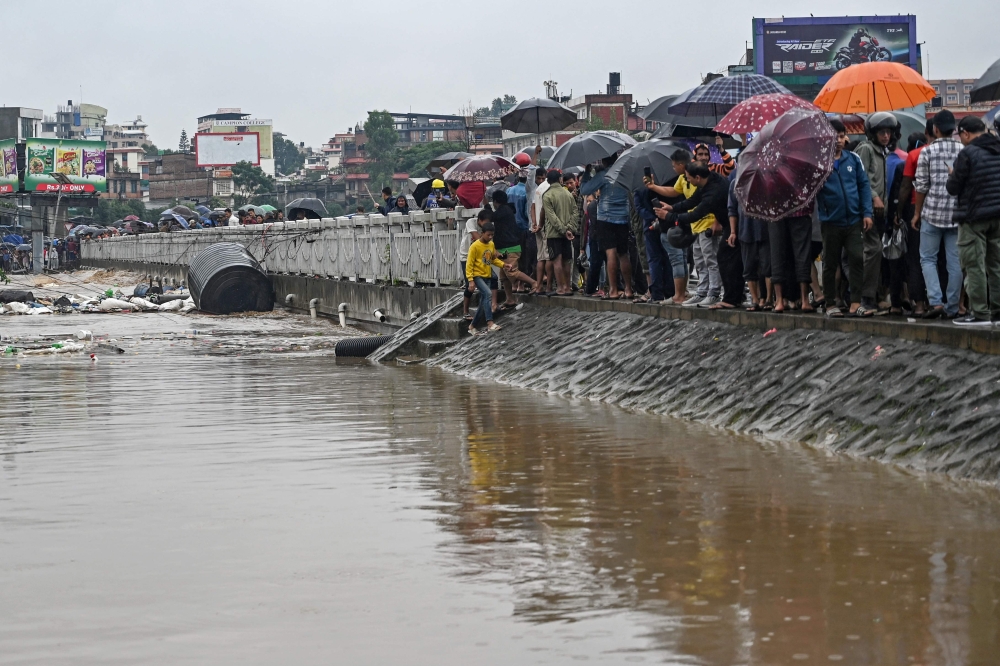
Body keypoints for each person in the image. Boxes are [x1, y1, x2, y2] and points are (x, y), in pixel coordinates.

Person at [654, 161, 739, 309]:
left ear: (698, 177)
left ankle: (720, 295)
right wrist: (673, 208)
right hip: (727, 225)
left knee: (722, 260)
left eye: (688, 177)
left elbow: (694, 214)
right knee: (711, 259)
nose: (687, 180)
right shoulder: (709, 180)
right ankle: (710, 293)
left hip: (733, 225)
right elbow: (692, 200)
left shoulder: (713, 192)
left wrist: (668, 217)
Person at [646, 149, 718, 307]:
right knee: (699, 261)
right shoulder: (683, 179)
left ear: (681, 165)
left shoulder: (702, 180)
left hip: (706, 223)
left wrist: (670, 214)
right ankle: (702, 292)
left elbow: (698, 204)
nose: (673, 169)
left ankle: (713, 292)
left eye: (674, 166)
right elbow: (676, 193)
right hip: (694, 225)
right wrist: (654, 188)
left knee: (709, 260)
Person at [816, 119, 873, 317]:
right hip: (831, 221)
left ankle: (856, 303)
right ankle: (830, 304)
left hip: (854, 220)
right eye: (834, 136)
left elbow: (864, 186)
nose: (838, 140)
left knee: (857, 258)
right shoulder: (819, 163)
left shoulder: (854, 159)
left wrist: (867, 212)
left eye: (841, 136)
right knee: (830, 263)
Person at [947, 115, 1000, 325]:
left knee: (973, 265)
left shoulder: (967, 153)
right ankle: (998, 310)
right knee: (996, 265)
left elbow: (953, 188)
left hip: (973, 217)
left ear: (966, 134)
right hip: (998, 216)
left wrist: (953, 174)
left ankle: (979, 312)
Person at [914, 110, 964, 319]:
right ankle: (953, 306)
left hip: (932, 214)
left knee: (928, 259)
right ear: (954, 129)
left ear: (934, 129)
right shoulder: (964, 151)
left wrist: (917, 213)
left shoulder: (927, 152)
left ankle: (936, 302)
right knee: (956, 262)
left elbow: (921, 186)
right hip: (957, 215)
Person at [855, 112, 899, 314]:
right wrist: (874, 196)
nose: (886, 136)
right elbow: (861, 177)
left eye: (888, 132)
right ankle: (866, 297)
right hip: (868, 210)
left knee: (880, 253)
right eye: (882, 132)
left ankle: (877, 295)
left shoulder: (883, 152)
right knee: (872, 251)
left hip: (883, 211)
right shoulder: (866, 149)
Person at [581, 154, 634, 299]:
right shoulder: (624, 174)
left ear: (604, 161)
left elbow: (584, 190)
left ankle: (613, 290)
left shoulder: (603, 175)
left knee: (610, 253)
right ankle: (628, 289)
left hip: (605, 218)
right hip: (623, 218)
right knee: (623, 254)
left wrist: (586, 172)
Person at [895, 124, 933, 316]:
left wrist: (898, 212)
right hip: (940, 209)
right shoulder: (955, 150)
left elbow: (905, 187)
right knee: (940, 258)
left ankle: (919, 304)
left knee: (916, 258)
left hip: (914, 209)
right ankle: (939, 302)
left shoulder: (914, 155)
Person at [729, 168, 770, 311]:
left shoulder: (764, 180)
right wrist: (733, 231)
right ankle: (755, 299)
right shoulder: (735, 183)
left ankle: (768, 299)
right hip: (745, 230)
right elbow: (732, 209)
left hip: (765, 229)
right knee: (749, 268)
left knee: (767, 267)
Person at [491, 189, 536, 305]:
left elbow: (492, 217)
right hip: (504, 248)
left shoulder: (504, 210)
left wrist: (485, 204)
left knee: (511, 272)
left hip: (509, 248)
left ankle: (534, 283)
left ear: (496, 202)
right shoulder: (506, 210)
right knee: (504, 277)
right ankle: (509, 299)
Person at [542, 170, 579, 296]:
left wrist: (563, 229)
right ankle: (568, 287)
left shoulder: (547, 195)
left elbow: (551, 217)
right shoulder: (568, 194)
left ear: (548, 181)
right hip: (567, 233)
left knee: (556, 260)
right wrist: (569, 228)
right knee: (567, 260)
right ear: (560, 180)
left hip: (554, 233)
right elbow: (575, 212)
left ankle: (560, 288)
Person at [465, 220, 505, 335]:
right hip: (477, 276)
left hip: (487, 275)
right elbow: (469, 264)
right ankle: (490, 323)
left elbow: (492, 259)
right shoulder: (475, 246)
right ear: (482, 233)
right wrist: (471, 280)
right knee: (488, 294)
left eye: (492, 235)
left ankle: (472, 326)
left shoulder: (491, 244)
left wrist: (504, 265)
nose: (490, 237)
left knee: (484, 302)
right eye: (488, 235)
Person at [530, 167, 551, 293]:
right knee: (548, 258)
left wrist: (534, 223)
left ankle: (539, 286)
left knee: (540, 258)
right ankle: (548, 286)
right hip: (546, 226)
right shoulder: (548, 188)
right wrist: (540, 224)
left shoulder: (537, 189)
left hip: (537, 227)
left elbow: (532, 208)